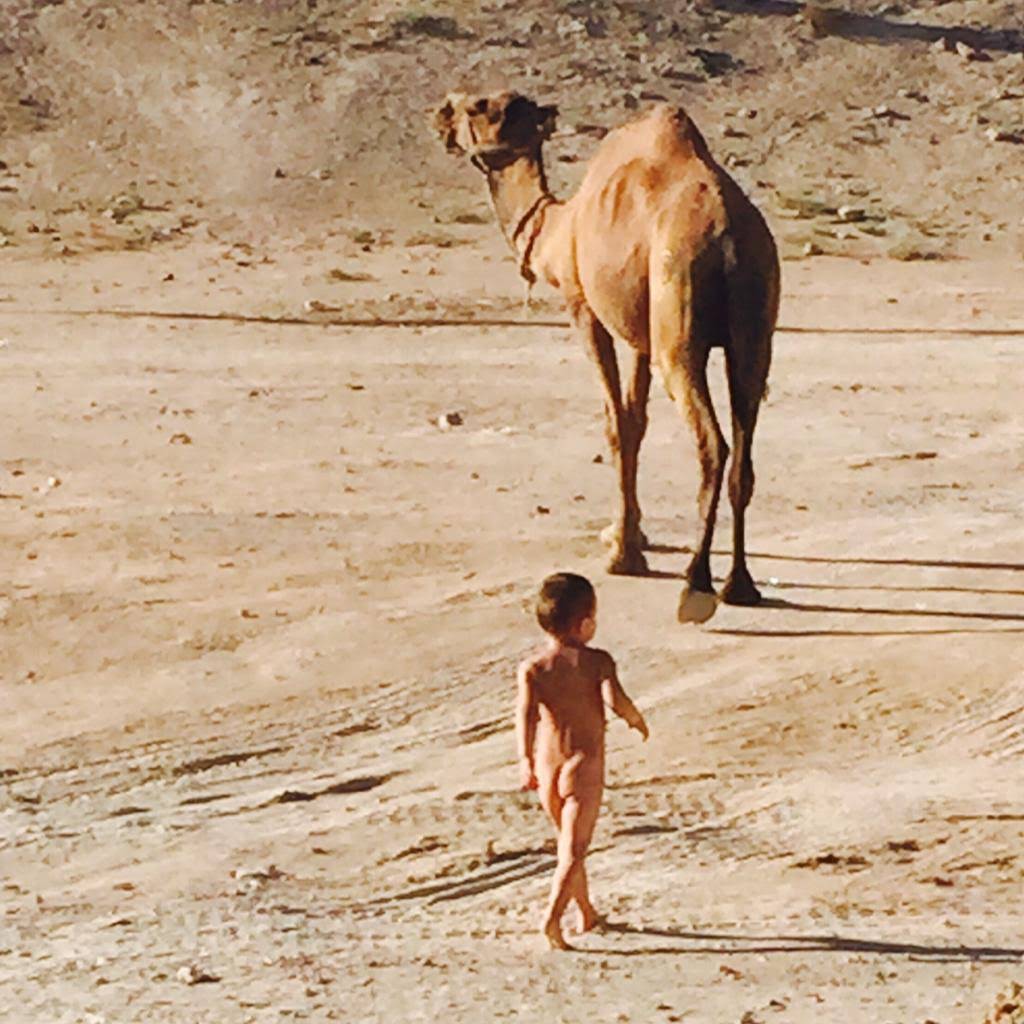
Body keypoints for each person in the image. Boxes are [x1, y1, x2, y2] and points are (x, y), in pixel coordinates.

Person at [516, 572, 649, 949]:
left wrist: (525, 760)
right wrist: (635, 718)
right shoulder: (597, 662)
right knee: (574, 850)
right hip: (582, 765)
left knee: (566, 844)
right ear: (586, 623)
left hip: (547, 765)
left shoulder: (534, 669)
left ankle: (586, 912)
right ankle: (552, 919)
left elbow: (525, 716)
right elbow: (615, 700)